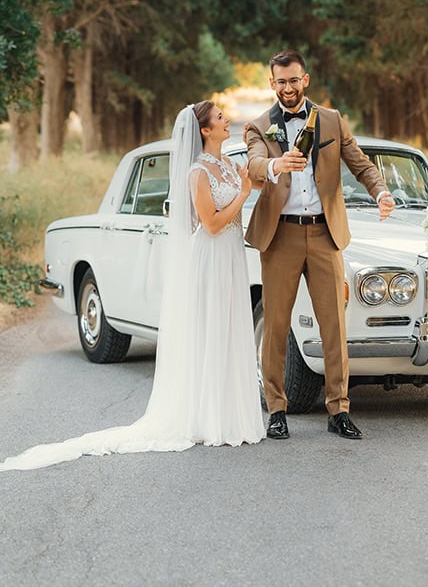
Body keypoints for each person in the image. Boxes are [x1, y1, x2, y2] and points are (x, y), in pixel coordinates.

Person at [0, 102, 264, 471]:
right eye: (221, 118)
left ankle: (230, 414)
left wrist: (256, 176)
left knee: (230, 330)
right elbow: (212, 224)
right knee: (209, 331)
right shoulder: (197, 172)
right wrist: (244, 193)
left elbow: (252, 186)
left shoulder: (227, 166)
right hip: (211, 257)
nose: (227, 120)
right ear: (204, 130)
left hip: (233, 258)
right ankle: (207, 418)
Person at [245, 50, 395, 441]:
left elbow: (360, 163)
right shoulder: (260, 126)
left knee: (334, 327)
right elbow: (255, 165)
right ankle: (277, 411)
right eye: (281, 82)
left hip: (326, 235)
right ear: (271, 83)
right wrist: (277, 166)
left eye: (294, 80)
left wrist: (380, 192)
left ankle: (339, 410)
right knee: (276, 325)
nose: (288, 88)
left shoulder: (331, 119)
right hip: (281, 237)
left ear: (305, 79)